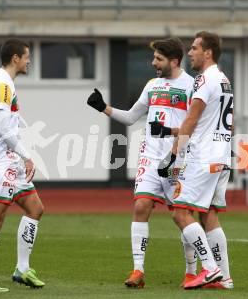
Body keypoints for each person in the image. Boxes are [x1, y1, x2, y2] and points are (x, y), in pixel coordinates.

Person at [87, 37, 194, 288]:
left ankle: (191, 272)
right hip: (149, 156)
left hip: (177, 159)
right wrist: (104, 107)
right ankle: (138, 271)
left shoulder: (192, 86)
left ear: (174, 61)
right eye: (154, 57)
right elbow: (132, 117)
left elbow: (194, 126)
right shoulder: (152, 85)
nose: (153, 62)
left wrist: (173, 140)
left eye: (158, 58)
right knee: (141, 207)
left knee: (182, 217)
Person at [160, 31, 234, 289]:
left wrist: (173, 154)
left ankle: (210, 269)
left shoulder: (204, 79)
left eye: (194, 48)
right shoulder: (224, 80)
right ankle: (224, 278)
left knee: (180, 213)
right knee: (209, 215)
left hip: (202, 158)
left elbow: (191, 119)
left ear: (208, 52)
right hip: (221, 157)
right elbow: (231, 126)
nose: (189, 52)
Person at [0, 38, 45, 292]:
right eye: (26, 57)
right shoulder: (2, 85)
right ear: (16, 59)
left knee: (35, 208)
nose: (29, 61)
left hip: (9, 159)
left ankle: (22, 269)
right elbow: (2, 129)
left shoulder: (0, 82)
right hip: (1, 160)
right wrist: (27, 155)